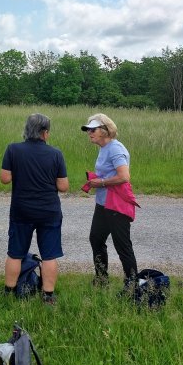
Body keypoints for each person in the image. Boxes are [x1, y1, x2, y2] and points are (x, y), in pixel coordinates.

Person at [0, 113, 69, 305]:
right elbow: (63, 186)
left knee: (15, 252)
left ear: (26, 130)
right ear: (45, 133)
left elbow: (4, 178)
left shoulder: (13, 149)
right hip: (49, 211)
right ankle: (48, 295)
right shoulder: (56, 154)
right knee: (49, 254)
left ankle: (8, 291)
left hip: (22, 210)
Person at [81, 113, 138, 291]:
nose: (89, 133)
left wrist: (102, 182)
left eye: (93, 129)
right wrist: (97, 179)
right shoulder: (103, 148)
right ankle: (101, 279)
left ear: (105, 130)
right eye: (88, 129)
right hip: (103, 203)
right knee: (96, 239)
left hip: (116, 205)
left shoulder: (115, 149)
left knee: (122, 245)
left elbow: (124, 176)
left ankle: (132, 284)